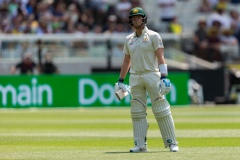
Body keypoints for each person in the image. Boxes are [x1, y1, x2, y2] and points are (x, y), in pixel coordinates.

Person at [115, 7, 179, 153]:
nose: (136, 19)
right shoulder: (128, 40)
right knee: (137, 111)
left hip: (152, 74)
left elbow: (161, 57)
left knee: (161, 109)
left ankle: (172, 143)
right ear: (131, 21)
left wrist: (164, 77)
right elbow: (126, 61)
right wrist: (121, 80)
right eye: (134, 18)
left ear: (144, 19)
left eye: (139, 17)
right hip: (135, 76)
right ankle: (140, 145)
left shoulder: (154, 36)